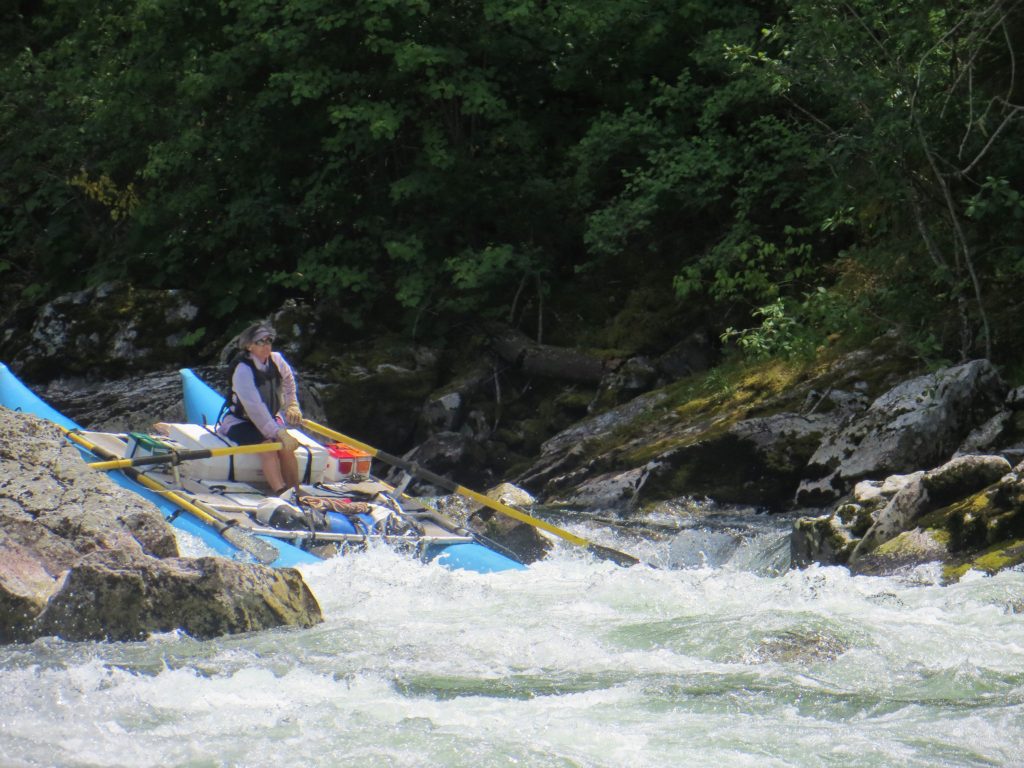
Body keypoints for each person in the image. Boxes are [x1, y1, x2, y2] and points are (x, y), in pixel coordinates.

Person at [217, 321, 303, 495]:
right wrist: (278, 432)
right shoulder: (243, 370)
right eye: (260, 342)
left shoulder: (277, 360)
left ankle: (296, 491)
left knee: (286, 447)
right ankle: (280, 491)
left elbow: (288, 381)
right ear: (249, 346)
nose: (266, 346)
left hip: (269, 418)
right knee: (268, 447)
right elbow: (255, 407)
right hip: (241, 421)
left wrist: (292, 404)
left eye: (268, 341)